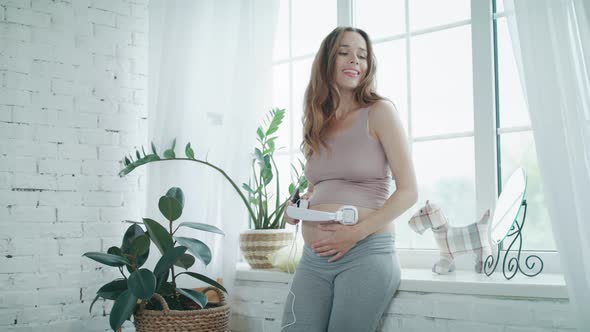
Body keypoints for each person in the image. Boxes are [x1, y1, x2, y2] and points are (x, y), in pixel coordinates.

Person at [280, 26, 418, 332]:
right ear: (327, 60)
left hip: (365, 254)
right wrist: (300, 205)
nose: (354, 61)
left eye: (362, 55)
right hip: (314, 261)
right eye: (344, 52)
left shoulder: (379, 112)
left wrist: (355, 233)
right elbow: (320, 186)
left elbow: (409, 191)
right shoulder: (318, 122)